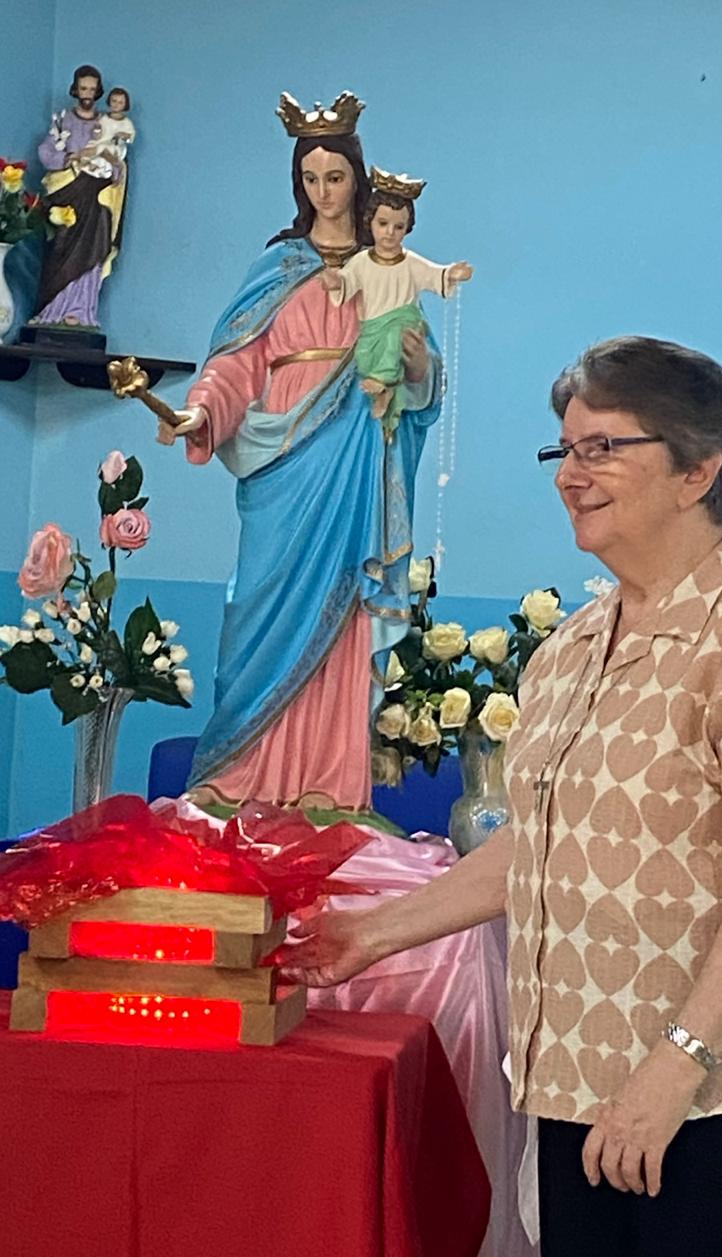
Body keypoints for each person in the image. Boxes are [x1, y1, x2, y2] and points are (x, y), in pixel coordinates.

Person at [277, 336, 722, 1257]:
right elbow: (545, 845)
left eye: (603, 448)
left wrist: (674, 1065)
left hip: (721, 1086)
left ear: (698, 471)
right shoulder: (574, 648)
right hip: (578, 1073)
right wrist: (372, 934)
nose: (570, 475)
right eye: (565, 449)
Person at [157, 91, 442, 811]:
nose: (324, 192)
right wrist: (200, 411)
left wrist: (416, 367)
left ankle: (329, 788)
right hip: (281, 467)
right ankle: (237, 777)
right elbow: (235, 364)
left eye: (335, 177)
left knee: (344, 616)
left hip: (357, 457)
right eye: (310, 178)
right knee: (258, 611)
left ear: (357, 177)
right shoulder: (278, 266)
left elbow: (424, 379)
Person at [321, 169, 472, 428]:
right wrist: (336, 282)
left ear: (407, 229)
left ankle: (385, 385)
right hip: (373, 324)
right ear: (370, 222)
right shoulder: (362, 261)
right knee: (365, 354)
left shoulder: (410, 263)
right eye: (383, 224)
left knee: (395, 342)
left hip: (403, 319)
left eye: (398, 227)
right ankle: (386, 391)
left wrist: (452, 273)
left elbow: (434, 275)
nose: (390, 232)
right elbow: (347, 282)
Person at [33, 64, 127, 328]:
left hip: (96, 197)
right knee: (60, 248)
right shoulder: (63, 120)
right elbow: (46, 152)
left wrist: (114, 166)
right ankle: (52, 309)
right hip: (68, 193)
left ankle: (81, 310)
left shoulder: (106, 123)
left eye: (92, 89)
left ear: (98, 92)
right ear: (75, 89)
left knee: (94, 249)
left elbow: (116, 161)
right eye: (83, 88)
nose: (87, 93)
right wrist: (69, 158)